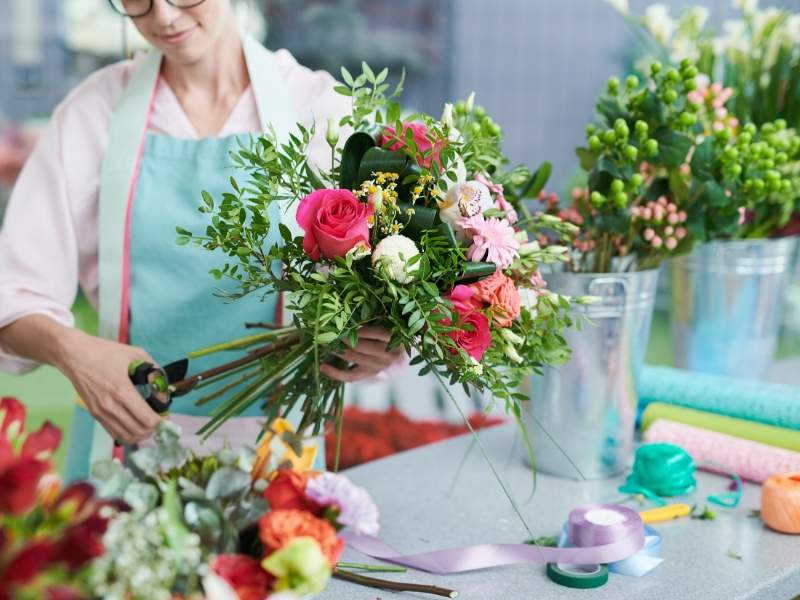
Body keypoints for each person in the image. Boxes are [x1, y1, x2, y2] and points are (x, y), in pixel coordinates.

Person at [0, 0, 407, 480]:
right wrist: (75, 354)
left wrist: (385, 341)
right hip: (123, 448)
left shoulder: (322, 111)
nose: (163, 17)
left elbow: (395, 276)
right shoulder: (92, 114)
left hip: (278, 467)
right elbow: (13, 297)